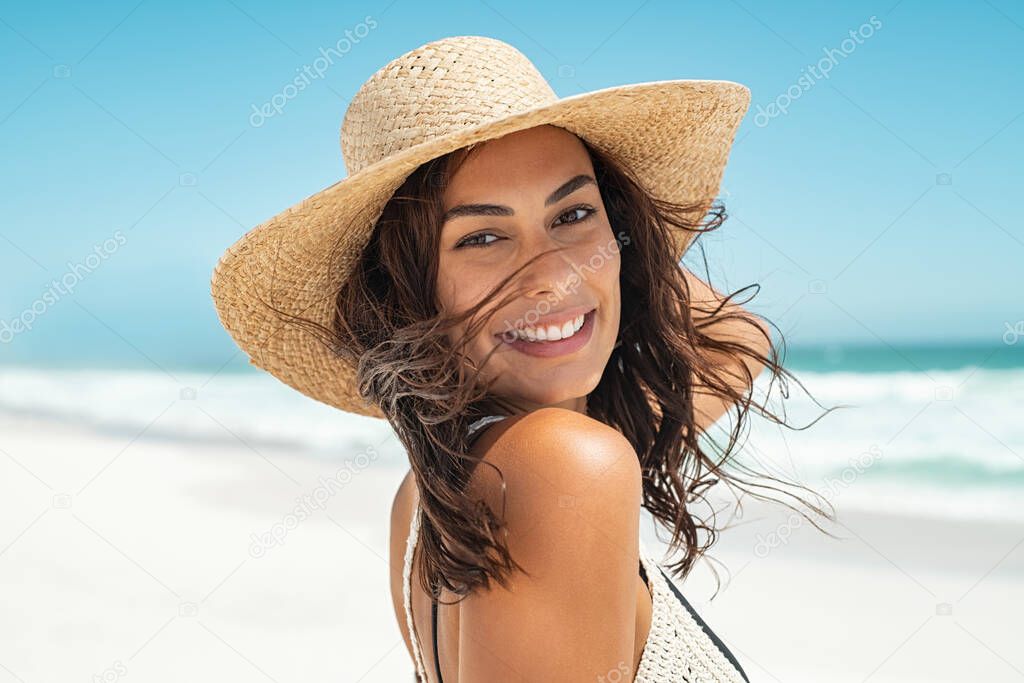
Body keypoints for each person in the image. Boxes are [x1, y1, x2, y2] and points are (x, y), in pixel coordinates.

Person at [211, 35, 837, 682]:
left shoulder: (432, 493)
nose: (554, 278)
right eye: (483, 236)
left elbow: (736, 338)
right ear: (408, 293)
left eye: (572, 214)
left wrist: (629, 261)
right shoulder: (564, 467)